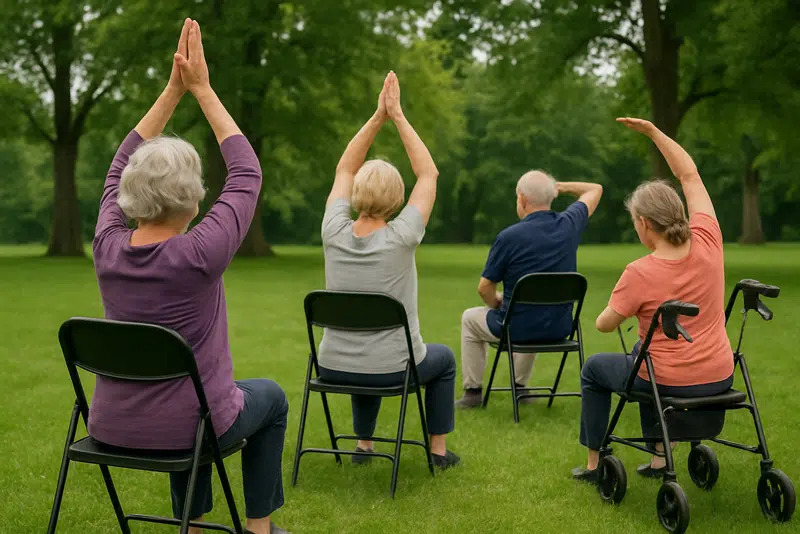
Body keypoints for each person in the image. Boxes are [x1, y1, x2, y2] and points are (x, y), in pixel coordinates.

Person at [90, 19, 288, 534]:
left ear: (132, 194)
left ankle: (194, 526)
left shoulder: (107, 247)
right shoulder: (200, 252)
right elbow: (246, 172)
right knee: (266, 397)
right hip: (189, 427)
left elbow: (117, 168)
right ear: (193, 198)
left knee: (195, 397)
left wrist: (171, 91)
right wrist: (200, 88)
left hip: (109, 428)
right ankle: (259, 530)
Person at [572, 117, 735, 484]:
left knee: (596, 369)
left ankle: (594, 464)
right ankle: (660, 458)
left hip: (669, 380)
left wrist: (612, 308)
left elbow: (604, 324)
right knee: (641, 351)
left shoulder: (640, 272)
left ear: (644, 224)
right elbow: (689, 176)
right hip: (720, 374)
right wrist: (655, 133)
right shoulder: (709, 240)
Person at [317, 72, 460, 469]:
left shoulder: (333, 231)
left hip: (334, 366)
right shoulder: (403, 236)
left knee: (365, 342)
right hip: (393, 368)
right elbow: (428, 174)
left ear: (356, 194)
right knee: (444, 360)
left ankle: (364, 446)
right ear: (398, 201)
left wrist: (376, 118)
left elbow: (345, 168)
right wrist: (397, 116)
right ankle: (438, 453)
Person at [455, 171, 603, 408]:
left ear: (522, 199)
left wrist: (497, 303)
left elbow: (484, 288)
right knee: (528, 306)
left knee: (470, 318)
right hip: (560, 327)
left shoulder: (508, 237)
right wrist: (559, 187)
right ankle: (520, 387)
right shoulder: (569, 224)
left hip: (518, 327)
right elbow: (594, 189)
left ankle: (473, 392)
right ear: (551, 197)